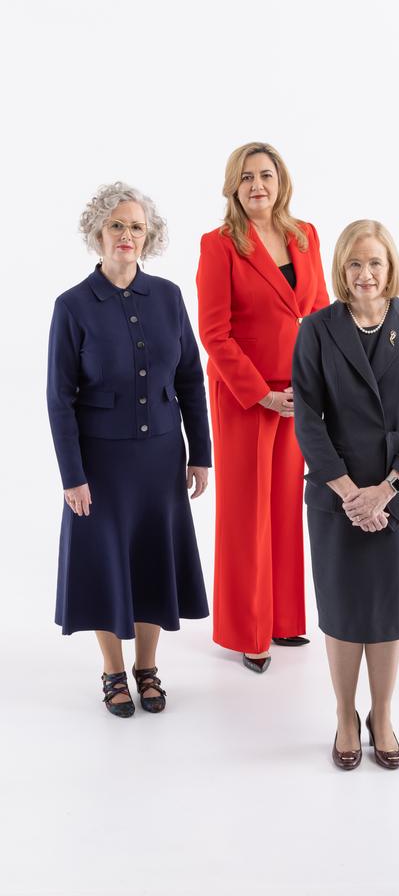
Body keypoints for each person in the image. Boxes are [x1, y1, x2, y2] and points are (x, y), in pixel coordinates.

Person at [47, 182, 211, 717]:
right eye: (117, 225)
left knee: (151, 562)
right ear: (98, 233)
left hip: (162, 458)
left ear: (150, 236)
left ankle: (148, 668)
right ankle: (112, 671)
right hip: (101, 464)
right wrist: (72, 474)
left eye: (136, 226)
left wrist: (200, 452)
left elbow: (191, 378)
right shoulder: (72, 306)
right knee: (105, 565)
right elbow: (58, 399)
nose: (127, 235)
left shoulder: (167, 296)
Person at [292, 220, 399, 769]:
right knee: (341, 611)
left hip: (398, 496)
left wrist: (387, 489)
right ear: (341, 268)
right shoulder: (317, 328)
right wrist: (352, 492)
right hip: (337, 496)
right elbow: (308, 419)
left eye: (375, 262)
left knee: (387, 611)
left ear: (390, 266)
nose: (365, 274)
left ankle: (382, 714)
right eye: (355, 263)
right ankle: (343, 715)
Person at [196, 142, 329, 673]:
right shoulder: (219, 244)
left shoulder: (306, 236)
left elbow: (318, 314)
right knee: (246, 510)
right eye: (247, 177)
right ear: (234, 186)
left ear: (282, 182)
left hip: (297, 394)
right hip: (245, 394)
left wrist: (313, 384)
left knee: (283, 505)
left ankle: (282, 619)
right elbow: (215, 332)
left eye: (266, 175)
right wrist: (262, 392)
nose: (258, 185)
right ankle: (247, 630)